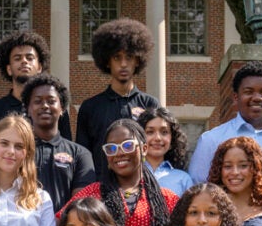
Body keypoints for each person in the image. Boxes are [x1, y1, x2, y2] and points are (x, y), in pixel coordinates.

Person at [188, 61, 262, 198]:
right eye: (248, 92)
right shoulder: (211, 139)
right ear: (235, 97)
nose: (257, 98)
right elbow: (197, 191)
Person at [76, 18, 160, 177]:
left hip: (141, 185)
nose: (123, 64)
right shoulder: (90, 107)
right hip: (101, 189)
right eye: (117, 58)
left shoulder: (150, 104)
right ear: (107, 62)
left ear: (137, 60)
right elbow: (83, 157)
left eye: (128, 57)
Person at [0, 31, 72, 153]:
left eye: (30, 57)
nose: (24, 61)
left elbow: (66, 149)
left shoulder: (55, 109)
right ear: (9, 69)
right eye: (17, 58)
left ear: (39, 67)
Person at [21, 73, 96, 212]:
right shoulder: (18, 151)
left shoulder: (80, 154)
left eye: (51, 101)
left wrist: (55, 224)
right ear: (28, 109)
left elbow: (80, 203)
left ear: (62, 108)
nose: (44, 105)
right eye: (37, 101)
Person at [138, 108, 193, 196]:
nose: (158, 138)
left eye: (164, 132)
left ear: (172, 139)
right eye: (150, 132)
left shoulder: (183, 179)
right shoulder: (131, 175)